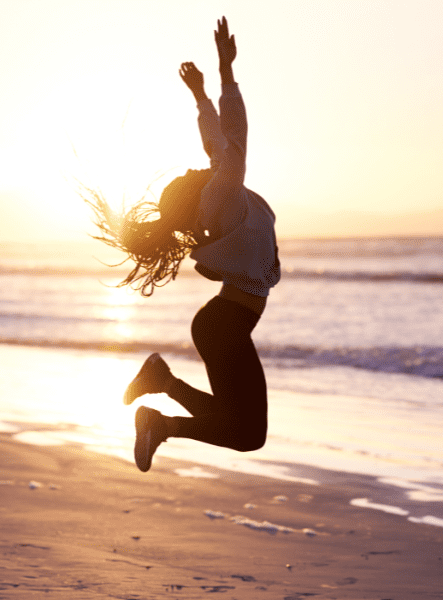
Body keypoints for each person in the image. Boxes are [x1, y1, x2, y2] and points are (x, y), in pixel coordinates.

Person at [84, 16, 280, 472]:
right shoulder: (222, 195)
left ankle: (161, 400)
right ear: (199, 196)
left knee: (246, 432)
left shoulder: (215, 200)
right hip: (224, 325)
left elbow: (216, 145)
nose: (194, 171)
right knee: (247, 433)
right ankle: (161, 401)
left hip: (224, 321)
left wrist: (199, 95)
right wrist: (225, 75)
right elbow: (231, 138)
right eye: (188, 178)